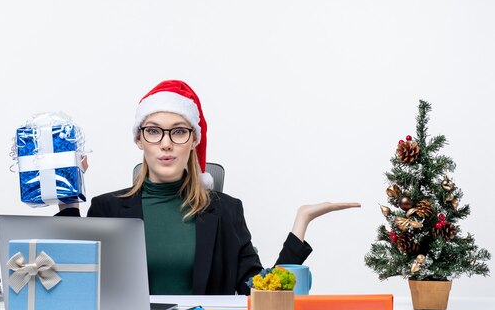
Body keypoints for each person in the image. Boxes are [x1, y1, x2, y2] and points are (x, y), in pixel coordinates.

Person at [58, 80, 360, 295]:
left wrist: (300, 224)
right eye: (153, 131)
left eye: (178, 132)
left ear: (193, 140)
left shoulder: (225, 210)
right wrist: (68, 203)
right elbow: (77, 285)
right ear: (139, 139)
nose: (166, 143)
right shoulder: (107, 209)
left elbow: (256, 290)